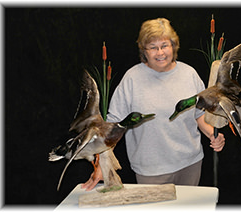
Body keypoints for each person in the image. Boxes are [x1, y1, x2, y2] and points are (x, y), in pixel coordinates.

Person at [81, 18, 225, 191]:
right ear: (144, 51)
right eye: (153, 47)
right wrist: (102, 165)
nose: (160, 52)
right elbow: (112, 128)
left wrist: (213, 135)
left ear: (173, 46)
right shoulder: (132, 79)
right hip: (151, 171)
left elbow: (199, 116)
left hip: (190, 164)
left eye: (164, 45)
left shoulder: (189, 74)